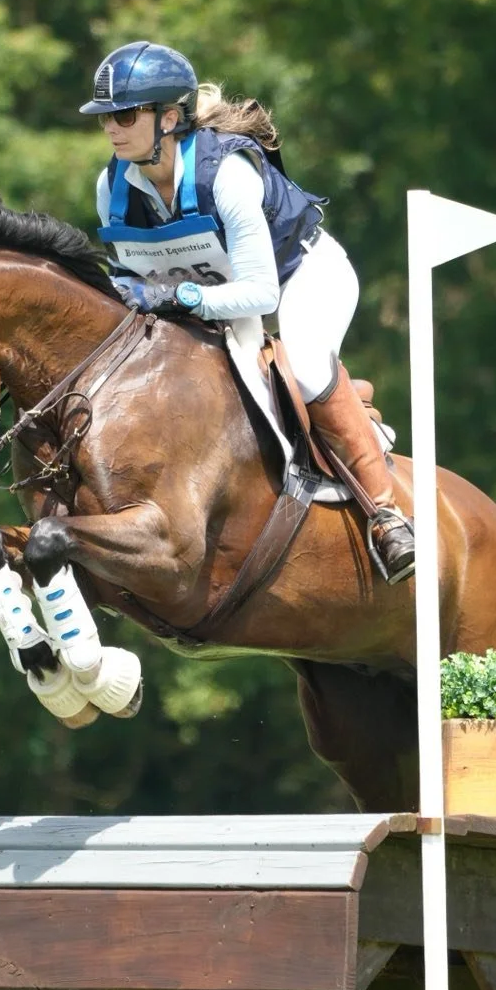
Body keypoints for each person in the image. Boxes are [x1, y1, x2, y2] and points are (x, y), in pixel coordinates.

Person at [79, 39, 417, 583]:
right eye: (105, 119)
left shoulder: (226, 174)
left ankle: (386, 515)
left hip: (299, 279)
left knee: (304, 367)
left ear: (169, 118)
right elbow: (143, 288)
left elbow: (260, 294)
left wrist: (179, 297)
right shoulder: (111, 187)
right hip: (217, 297)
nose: (111, 130)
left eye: (124, 115)